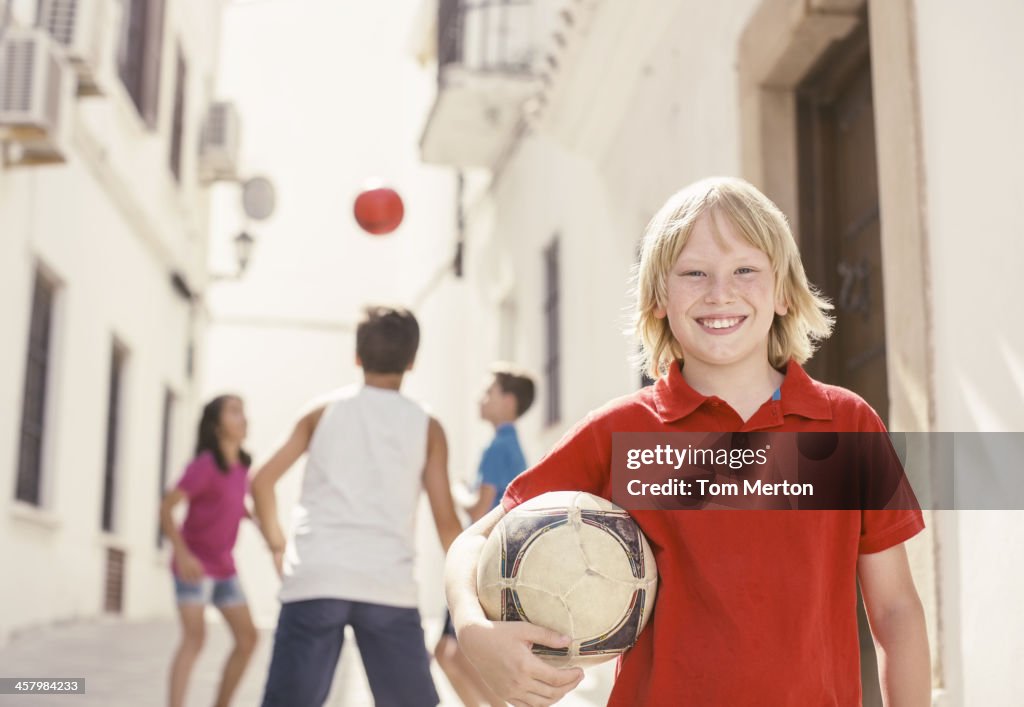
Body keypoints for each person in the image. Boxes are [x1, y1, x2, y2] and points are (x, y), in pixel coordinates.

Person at [444, 177, 931, 706]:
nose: (720, 292)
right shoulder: (620, 431)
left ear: (784, 292)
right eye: (694, 273)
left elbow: (895, 611)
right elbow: (473, 541)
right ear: (658, 297)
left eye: (745, 270)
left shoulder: (847, 425)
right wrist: (473, 631)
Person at [251, 305, 463, 707]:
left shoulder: (321, 412)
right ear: (413, 361)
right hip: (387, 583)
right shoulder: (428, 426)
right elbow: (447, 524)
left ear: (357, 356)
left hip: (316, 575)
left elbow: (261, 481)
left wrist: (278, 547)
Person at [436, 364, 535, 707]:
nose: (481, 398)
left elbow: (478, 510)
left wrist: (455, 491)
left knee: (452, 654)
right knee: (449, 654)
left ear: (508, 401)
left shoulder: (497, 447)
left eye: (488, 392)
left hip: (482, 566)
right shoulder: (512, 445)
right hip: (497, 564)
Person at [160, 395, 259, 707]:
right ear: (216, 425)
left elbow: (228, 502)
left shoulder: (243, 466)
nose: (243, 418)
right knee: (195, 639)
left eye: (243, 411)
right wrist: (183, 554)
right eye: (234, 412)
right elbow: (166, 508)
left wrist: (249, 515)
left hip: (225, 567)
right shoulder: (203, 466)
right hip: (194, 566)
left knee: (248, 639)